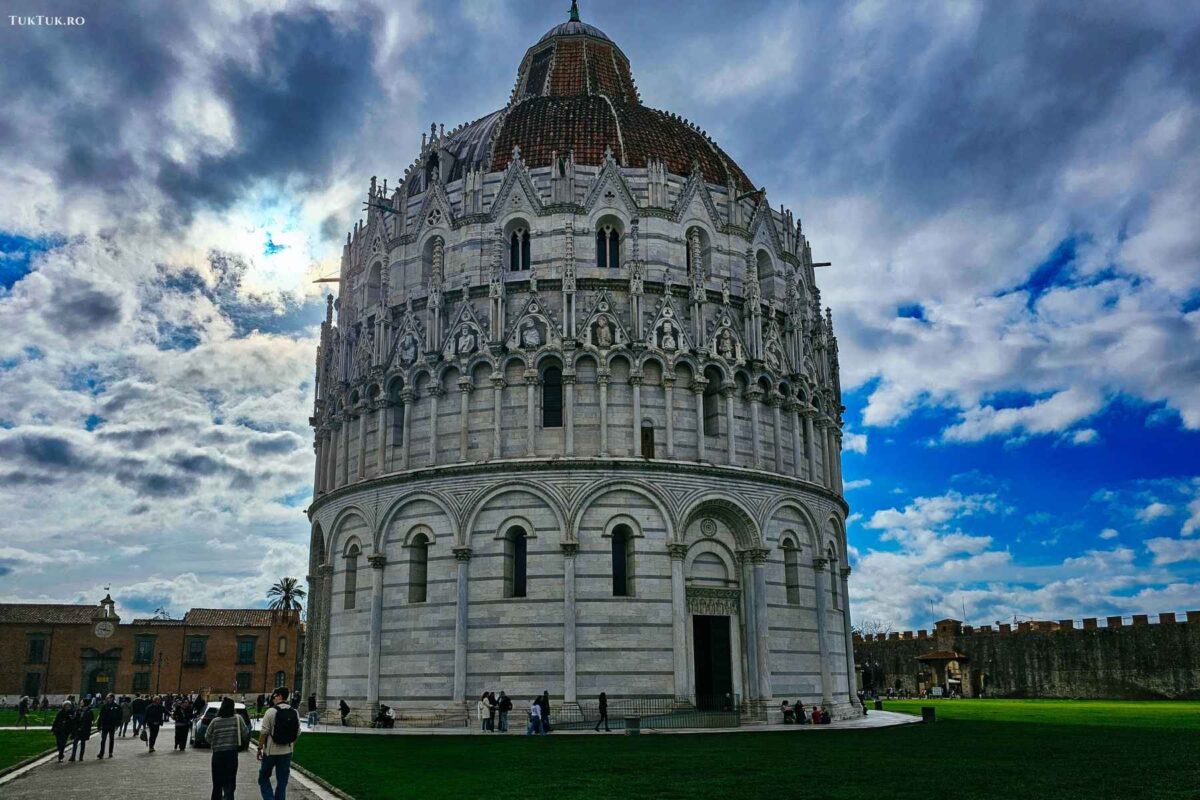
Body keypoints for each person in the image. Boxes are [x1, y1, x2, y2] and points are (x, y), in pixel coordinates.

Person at [258, 687, 299, 800]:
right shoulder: (294, 712)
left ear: (280, 696)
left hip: (271, 751)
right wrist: (291, 746)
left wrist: (259, 748)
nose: (273, 698)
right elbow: (297, 733)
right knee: (282, 781)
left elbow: (264, 732)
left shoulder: (270, 712)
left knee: (263, 778)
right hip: (287, 751)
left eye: (275, 696)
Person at [206, 698, 249, 800]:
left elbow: (207, 737)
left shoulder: (215, 721)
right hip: (232, 754)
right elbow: (246, 733)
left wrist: (215, 743)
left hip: (218, 754)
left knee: (217, 782)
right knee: (230, 782)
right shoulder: (237, 719)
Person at [97, 693, 121, 758]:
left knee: (111, 739)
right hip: (105, 725)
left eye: (108, 697)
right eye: (107, 698)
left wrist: (117, 725)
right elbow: (101, 716)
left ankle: (110, 752)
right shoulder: (104, 706)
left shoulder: (117, 706)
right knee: (103, 740)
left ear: (112, 698)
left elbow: (119, 716)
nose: (107, 699)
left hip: (112, 725)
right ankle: (101, 753)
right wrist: (99, 726)